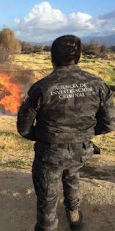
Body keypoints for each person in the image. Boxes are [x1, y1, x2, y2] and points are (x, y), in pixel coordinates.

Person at [17, 35, 114, 231]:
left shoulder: (42, 87)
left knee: (47, 193)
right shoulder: (98, 84)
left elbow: (24, 128)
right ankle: (74, 216)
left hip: (50, 153)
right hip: (82, 151)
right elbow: (110, 123)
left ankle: (48, 226)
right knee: (72, 176)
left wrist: (42, 136)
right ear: (79, 56)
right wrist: (84, 134)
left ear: (52, 58)